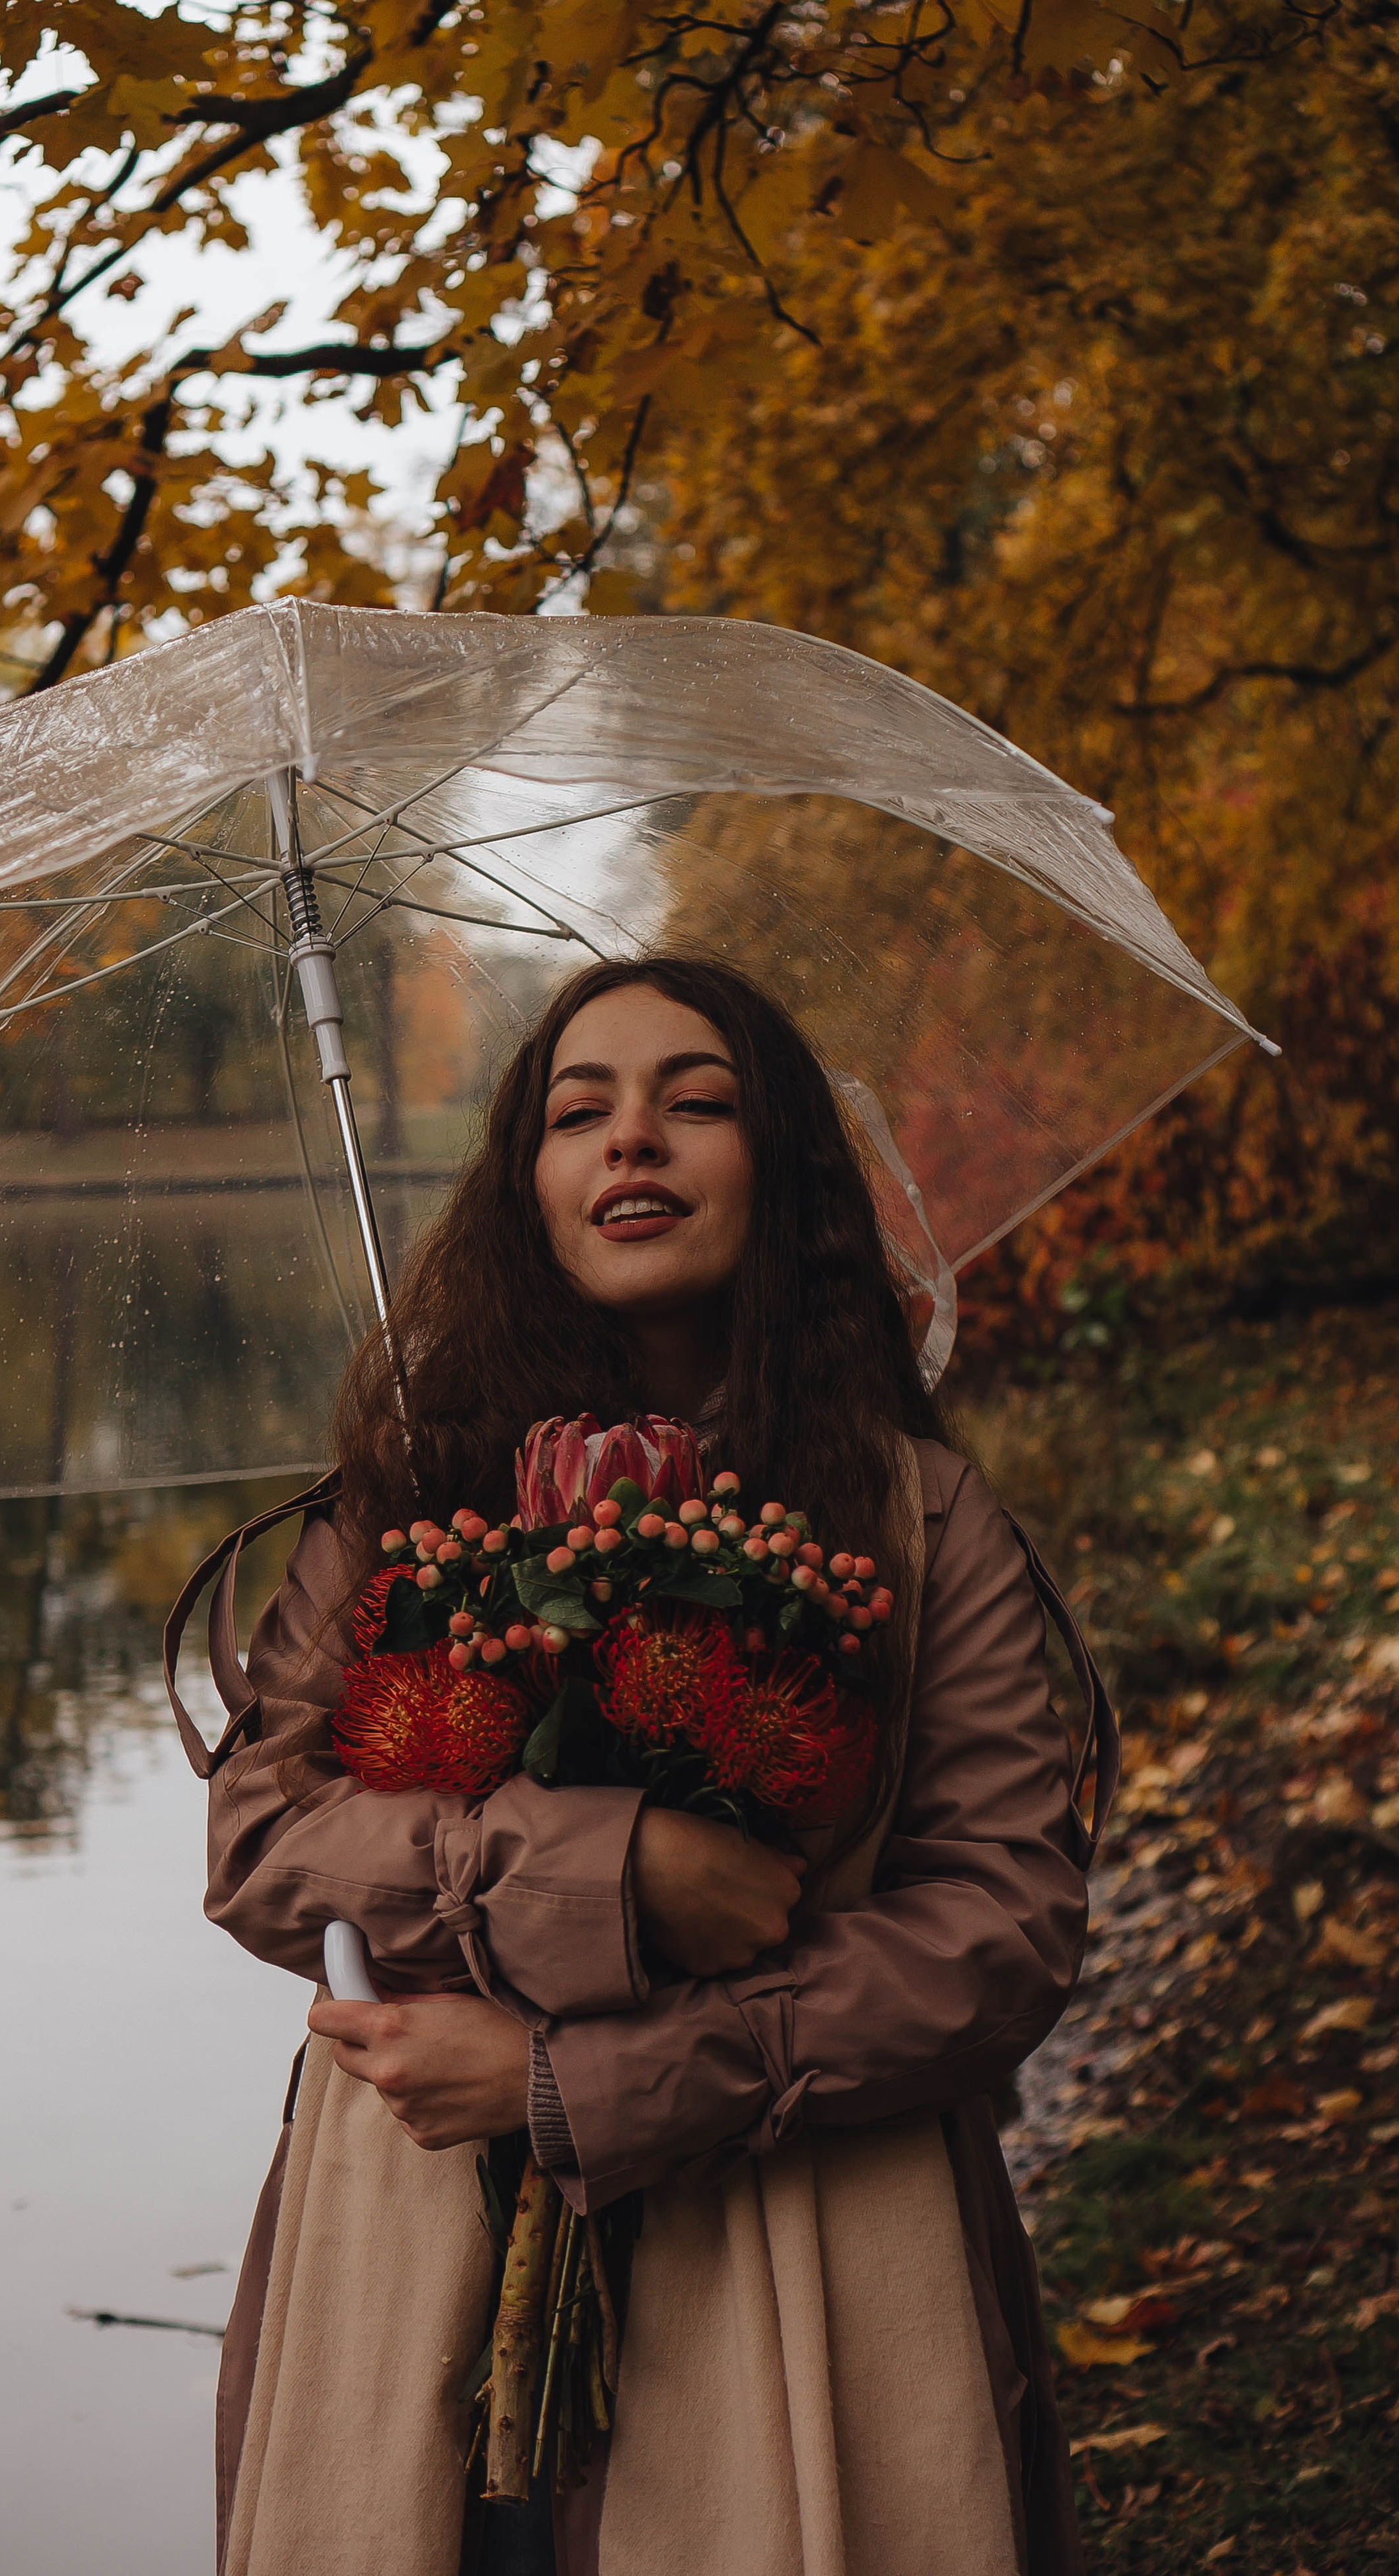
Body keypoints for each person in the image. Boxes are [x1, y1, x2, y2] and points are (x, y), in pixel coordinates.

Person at [165, 953, 1117, 2576]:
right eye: (577, 1112)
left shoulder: (913, 1519)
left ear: (783, 1168)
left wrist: (576, 2087)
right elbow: (261, 1845)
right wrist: (604, 1867)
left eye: (696, 1102)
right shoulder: (406, 1495)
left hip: (803, 2246)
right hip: (413, 2236)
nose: (629, 1142)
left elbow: (1001, 1930)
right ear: (527, 1184)